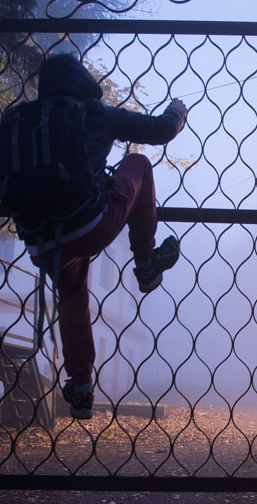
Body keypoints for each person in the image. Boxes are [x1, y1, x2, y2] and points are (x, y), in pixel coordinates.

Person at [17, 53, 188, 419]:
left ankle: (81, 388)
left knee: (72, 297)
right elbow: (159, 131)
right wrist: (178, 111)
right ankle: (145, 261)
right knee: (139, 163)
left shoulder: (26, 118)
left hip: (41, 240)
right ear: (82, 81)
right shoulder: (95, 112)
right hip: (89, 226)